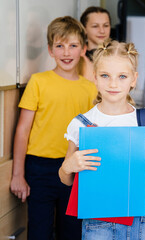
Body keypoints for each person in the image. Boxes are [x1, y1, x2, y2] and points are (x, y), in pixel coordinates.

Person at [58, 40, 145, 239]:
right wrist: (68, 166)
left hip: (143, 223)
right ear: (94, 78)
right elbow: (65, 178)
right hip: (97, 223)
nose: (113, 84)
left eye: (122, 76)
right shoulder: (81, 123)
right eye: (105, 76)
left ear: (134, 79)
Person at [10, 16, 97, 240]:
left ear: (83, 50)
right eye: (60, 46)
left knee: (72, 232)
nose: (66, 52)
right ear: (50, 50)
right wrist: (18, 174)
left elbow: (93, 133)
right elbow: (22, 131)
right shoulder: (38, 82)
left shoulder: (90, 89)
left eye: (73, 46)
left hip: (76, 168)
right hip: (39, 168)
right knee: (39, 231)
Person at [78, 6, 111, 82]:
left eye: (106, 26)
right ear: (84, 29)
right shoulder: (76, 57)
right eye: (95, 26)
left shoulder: (120, 55)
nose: (102, 31)